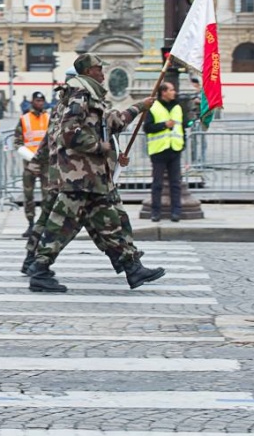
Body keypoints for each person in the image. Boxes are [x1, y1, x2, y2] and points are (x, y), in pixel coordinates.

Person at [28, 53, 166, 293]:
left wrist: (138, 107)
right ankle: (39, 269)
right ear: (89, 71)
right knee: (61, 224)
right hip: (80, 176)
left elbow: (112, 124)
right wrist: (99, 147)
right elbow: (70, 134)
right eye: (99, 69)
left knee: (110, 222)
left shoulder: (92, 96)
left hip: (92, 177)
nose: (103, 73)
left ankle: (133, 268)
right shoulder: (79, 95)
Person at [145, 82, 185, 222]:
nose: (174, 92)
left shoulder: (178, 107)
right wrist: (164, 126)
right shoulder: (154, 107)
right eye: (171, 89)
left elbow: (182, 127)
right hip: (158, 150)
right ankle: (155, 212)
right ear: (163, 92)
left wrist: (182, 145)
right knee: (157, 183)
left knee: (176, 183)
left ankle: (176, 212)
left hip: (174, 149)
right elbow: (147, 127)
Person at [14, 91, 49, 238]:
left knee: (48, 195)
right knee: (28, 195)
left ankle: (45, 224)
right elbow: (17, 141)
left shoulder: (49, 118)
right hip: (30, 161)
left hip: (46, 162)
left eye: (42, 101)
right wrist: (28, 155)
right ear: (32, 102)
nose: (39, 103)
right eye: (37, 101)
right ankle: (30, 224)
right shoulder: (24, 119)